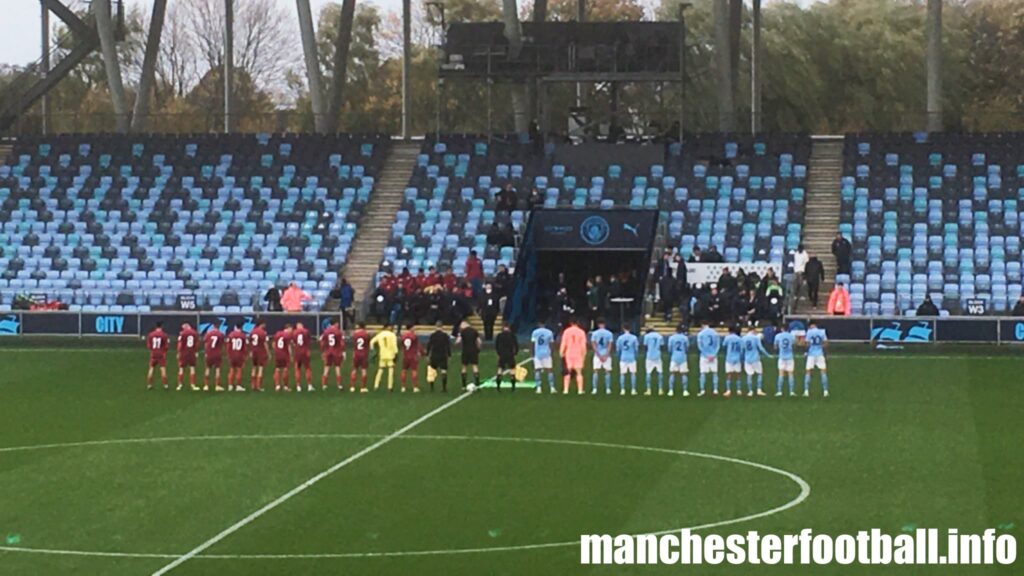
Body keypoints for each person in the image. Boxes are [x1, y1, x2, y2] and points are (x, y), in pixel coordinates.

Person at [559, 319, 588, 395]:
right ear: (578, 323)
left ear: (570, 323)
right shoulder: (581, 332)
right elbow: (583, 345)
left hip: (569, 353)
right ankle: (580, 390)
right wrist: (584, 354)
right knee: (579, 372)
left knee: (567, 372)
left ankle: (565, 390)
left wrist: (561, 352)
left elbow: (563, 343)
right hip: (578, 353)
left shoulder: (566, 331)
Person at [802, 320, 829, 397]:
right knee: (823, 372)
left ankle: (806, 391)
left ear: (811, 325)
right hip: (820, 354)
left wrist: (806, 351)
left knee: (808, 372)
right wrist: (823, 350)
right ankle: (825, 391)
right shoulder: (822, 332)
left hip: (811, 355)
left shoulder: (809, 332)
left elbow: (807, 344)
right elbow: (826, 343)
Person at [742, 327, 771, 397]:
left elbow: (742, 349)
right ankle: (759, 390)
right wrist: (768, 355)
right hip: (755, 359)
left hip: (747, 359)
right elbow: (761, 348)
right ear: (752, 330)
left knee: (749, 375)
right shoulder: (756, 338)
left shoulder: (743, 338)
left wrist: (742, 359)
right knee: (759, 374)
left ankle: (750, 391)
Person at [319, 317, 346, 391]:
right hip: (336, 352)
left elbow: (322, 342)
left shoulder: (326, 331)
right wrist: (343, 351)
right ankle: (339, 385)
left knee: (326, 367)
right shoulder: (338, 332)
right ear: (336, 323)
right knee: (337, 367)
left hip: (328, 352)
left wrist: (322, 351)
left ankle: (324, 385)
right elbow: (342, 343)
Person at [589, 319, 615, 394]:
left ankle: (594, 389)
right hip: (606, 354)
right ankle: (608, 389)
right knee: (607, 372)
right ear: (604, 324)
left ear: (598, 324)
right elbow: (610, 345)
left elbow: (593, 344)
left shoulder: (595, 333)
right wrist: (606, 354)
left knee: (595, 371)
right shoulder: (609, 333)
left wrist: (598, 354)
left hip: (597, 355)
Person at [370, 324, 399, 391]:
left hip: (382, 355)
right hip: (390, 355)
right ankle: (390, 387)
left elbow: (372, 342)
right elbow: (394, 345)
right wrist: (396, 353)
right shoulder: (392, 335)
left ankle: (376, 385)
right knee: (391, 371)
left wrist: (373, 350)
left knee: (380, 370)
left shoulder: (380, 334)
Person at [696, 322, 721, 396]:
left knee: (703, 373)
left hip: (704, 356)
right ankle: (715, 389)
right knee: (715, 373)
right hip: (713, 356)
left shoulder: (700, 334)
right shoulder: (715, 333)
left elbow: (700, 346)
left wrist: (707, 355)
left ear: (703, 325)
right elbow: (718, 345)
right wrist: (713, 355)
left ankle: (702, 390)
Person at [531, 321, 556, 394]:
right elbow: (551, 344)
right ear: (545, 324)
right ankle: (552, 387)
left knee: (537, 370)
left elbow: (532, 343)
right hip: (547, 353)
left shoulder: (535, 332)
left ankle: (539, 388)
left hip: (537, 353)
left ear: (539, 324)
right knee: (549, 370)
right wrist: (552, 353)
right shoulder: (549, 332)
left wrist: (532, 354)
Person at [426, 322, 452, 392]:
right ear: (442, 327)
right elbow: (448, 346)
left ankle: (432, 387)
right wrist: (449, 355)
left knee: (432, 371)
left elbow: (429, 346)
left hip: (434, 355)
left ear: (436, 327)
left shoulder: (433, 335)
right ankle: (444, 388)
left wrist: (427, 354)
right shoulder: (445, 335)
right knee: (443, 371)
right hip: (442, 355)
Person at [456, 321, 482, 390]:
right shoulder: (474, 331)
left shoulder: (462, 332)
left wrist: (457, 341)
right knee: (475, 366)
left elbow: (458, 341)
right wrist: (478, 348)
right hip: (473, 351)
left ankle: (463, 385)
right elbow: (479, 341)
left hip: (465, 351)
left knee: (464, 367)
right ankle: (477, 384)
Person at [773, 323, 797, 396]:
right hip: (790, 357)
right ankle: (791, 391)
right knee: (791, 374)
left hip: (782, 357)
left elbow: (775, 347)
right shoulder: (792, 336)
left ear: (782, 329)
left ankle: (779, 391)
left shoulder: (778, 336)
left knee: (781, 374)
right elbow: (794, 345)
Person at [494, 325, 520, 392]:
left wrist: (498, 353)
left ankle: (498, 387)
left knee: (500, 369)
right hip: (510, 354)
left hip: (502, 354)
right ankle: (513, 387)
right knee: (512, 370)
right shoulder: (512, 335)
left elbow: (496, 346)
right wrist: (515, 353)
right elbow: (516, 345)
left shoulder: (499, 335)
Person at [615, 326, 640, 395]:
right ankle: (633, 390)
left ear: (623, 329)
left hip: (623, 357)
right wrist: (635, 355)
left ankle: (622, 390)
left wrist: (619, 355)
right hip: (631, 357)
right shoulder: (634, 337)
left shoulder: (620, 338)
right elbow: (636, 348)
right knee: (633, 374)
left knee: (622, 374)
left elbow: (618, 349)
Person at [642, 327, 666, 396]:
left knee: (648, 373)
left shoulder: (647, 336)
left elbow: (645, 346)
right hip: (657, 356)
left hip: (649, 356)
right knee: (660, 372)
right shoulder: (659, 336)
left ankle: (648, 389)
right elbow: (662, 346)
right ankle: (660, 389)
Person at [667, 324, 690, 397]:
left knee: (672, 373)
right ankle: (685, 390)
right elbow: (687, 348)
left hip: (674, 357)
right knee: (683, 374)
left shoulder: (671, 338)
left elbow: (669, 348)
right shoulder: (685, 338)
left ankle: (671, 390)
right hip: (683, 357)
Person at [145, 322, 170, 389]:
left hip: (153, 353)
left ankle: (149, 385)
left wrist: (152, 350)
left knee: (151, 369)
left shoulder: (151, 334)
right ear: (162, 326)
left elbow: (149, 345)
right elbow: (166, 346)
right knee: (163, 369)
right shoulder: (164, 335)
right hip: (161, 354)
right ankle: (165, 385)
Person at [176, 322, 200, 391]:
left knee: (181, 368)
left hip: (184, 353)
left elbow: (180, 344)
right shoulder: (195, 333)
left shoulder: (182, 333)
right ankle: (192, 385)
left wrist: (178, 352)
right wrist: (196, 351)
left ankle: (180, 385)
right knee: (192, 368)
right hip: (192, 352)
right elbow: (197, 343)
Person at [202, 324, 225, 391]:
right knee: (217, 369)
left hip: (209, 353)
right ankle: (217, 386)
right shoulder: (221, 334)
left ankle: (206, 385)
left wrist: (206, 352)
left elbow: (205, 343)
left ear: (213, 327)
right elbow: (222, 344)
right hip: (217, 353)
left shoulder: (208, 334)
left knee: (207, 368)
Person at [722, 325, 743, 398]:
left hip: (729, 358)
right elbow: (741, 349)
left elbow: (724, 345)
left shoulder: (728, 337)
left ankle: (728, 390)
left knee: (729, 375)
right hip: (737, 358)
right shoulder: (739, 338)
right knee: (738, 375)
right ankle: (739, 390)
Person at [226, 323, 248, 392]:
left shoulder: (231, 335)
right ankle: (238, 386)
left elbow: (228, 346)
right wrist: (245, 356)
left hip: (232, 354)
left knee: (231, 370)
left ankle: (230, 385)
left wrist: (228, 354)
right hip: (239, 354)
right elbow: (245, 347)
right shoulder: (243, 336)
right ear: (241, 327)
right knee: (239, 370)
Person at [399, 324, 421, 393]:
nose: (414, 329)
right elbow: (418, 346)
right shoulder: (414, 336)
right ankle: (415, 387)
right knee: (414, 371)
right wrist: (422, 353)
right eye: (413, 328)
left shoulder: (403, 336)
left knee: (404, 370)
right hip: (413, 356)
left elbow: (401, 345)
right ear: (411, 328)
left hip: (405, 355)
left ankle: (403, 387)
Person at [249, 319, 269, 392]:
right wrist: (268, 352)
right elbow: (265, 343)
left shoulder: (252, 331)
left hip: (254, 351)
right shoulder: (263, 332)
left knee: (254, 367)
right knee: (260, 368)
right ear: (261, 324)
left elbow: (250, 342)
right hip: (260, 351)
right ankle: (258, 386)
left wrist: (251, 351)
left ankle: (252, 385)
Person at [349, 322, 371, 392]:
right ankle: (363, 387)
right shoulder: (366, 334)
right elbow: (368, 344)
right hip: (364, 354)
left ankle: (352, 387)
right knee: (364, 370)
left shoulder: (355, 334)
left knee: (354, 369)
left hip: (356, 353)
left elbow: (354, 344)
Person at [292, 322, 313, 391]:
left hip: (297, 352)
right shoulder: (306, 331)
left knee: (297, 368)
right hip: (305, 351)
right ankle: (309, 385)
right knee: (307, 368)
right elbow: (309, 341)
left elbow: (294, 342)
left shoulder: (294, 332)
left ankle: (298, 386)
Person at [272, 324, 293, 391]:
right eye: (291, 329)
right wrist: (291, 355)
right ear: (288, 328)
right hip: (284, 354)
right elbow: (288, 346)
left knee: (277, 369)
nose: (291, 331)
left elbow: (273, 343)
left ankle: (277, 386)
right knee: (285, 369)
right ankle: (285, 386)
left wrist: (276, 350)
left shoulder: (277, 333)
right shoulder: (288, 335)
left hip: (278, 353)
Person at [790, 245, 809, 312]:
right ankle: (795, 294)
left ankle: (801, 295)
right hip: (796, 270)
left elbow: (806, 262)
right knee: (795, 284)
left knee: (801, 284)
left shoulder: (805, 254)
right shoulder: (796, 254)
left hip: (802, 271)